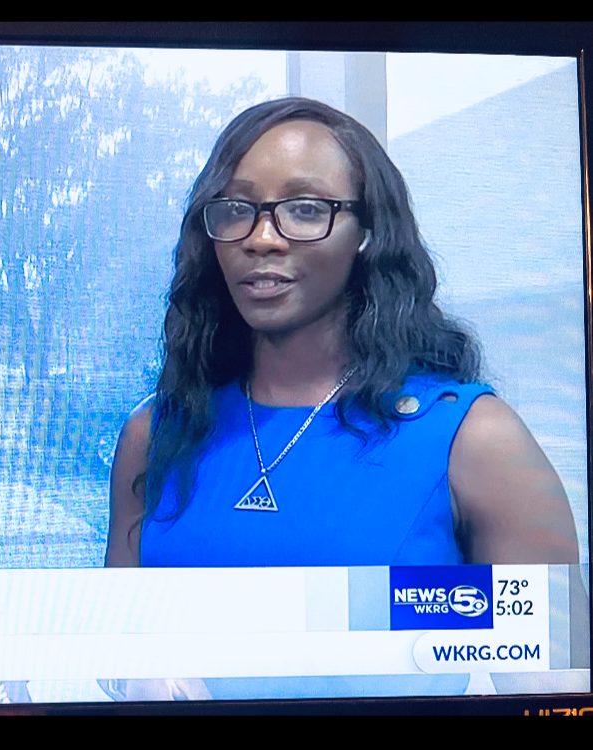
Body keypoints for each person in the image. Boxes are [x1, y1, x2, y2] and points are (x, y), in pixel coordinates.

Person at [105, 97, 580, 568]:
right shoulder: (156, 436)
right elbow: (115, 641)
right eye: (235, 208)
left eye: (306, 209)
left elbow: (555, 642)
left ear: (367, 233)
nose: (261, 238)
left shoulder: (476, 439)